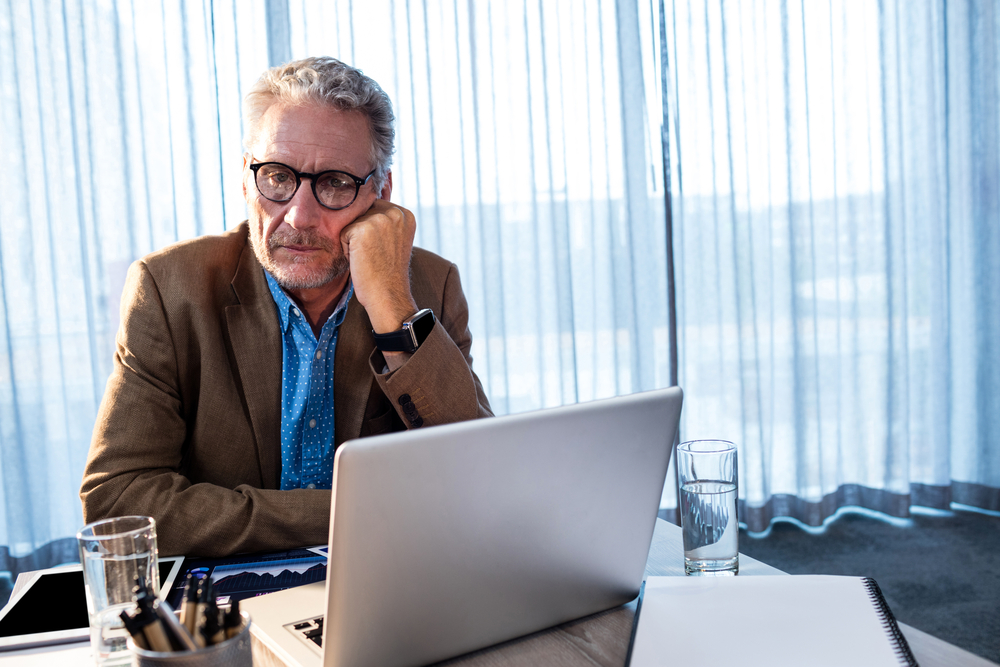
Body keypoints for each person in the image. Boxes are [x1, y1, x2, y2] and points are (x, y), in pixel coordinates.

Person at [80, 56, 492, 557]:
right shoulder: (169, 290)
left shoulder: (428, 285)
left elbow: (477, 479)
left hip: (385, 588)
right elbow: (117, 503)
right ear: (247, 177)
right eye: (277, 176)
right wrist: (344, 513)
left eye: (336, 183)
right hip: (230, 604)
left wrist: (391, 306)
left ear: (381, 194)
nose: (299, 215)